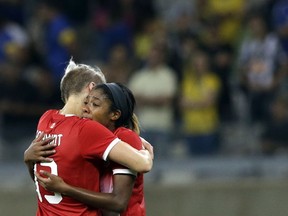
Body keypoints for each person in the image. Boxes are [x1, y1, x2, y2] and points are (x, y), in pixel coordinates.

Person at [23, 59, 153, 216]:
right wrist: (147, 153)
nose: (89, 110)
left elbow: (41, 180)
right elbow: (143, 164)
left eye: (96, 104)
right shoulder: (85, 130)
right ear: (92, 87)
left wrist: (28, 160)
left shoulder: (46, 119)